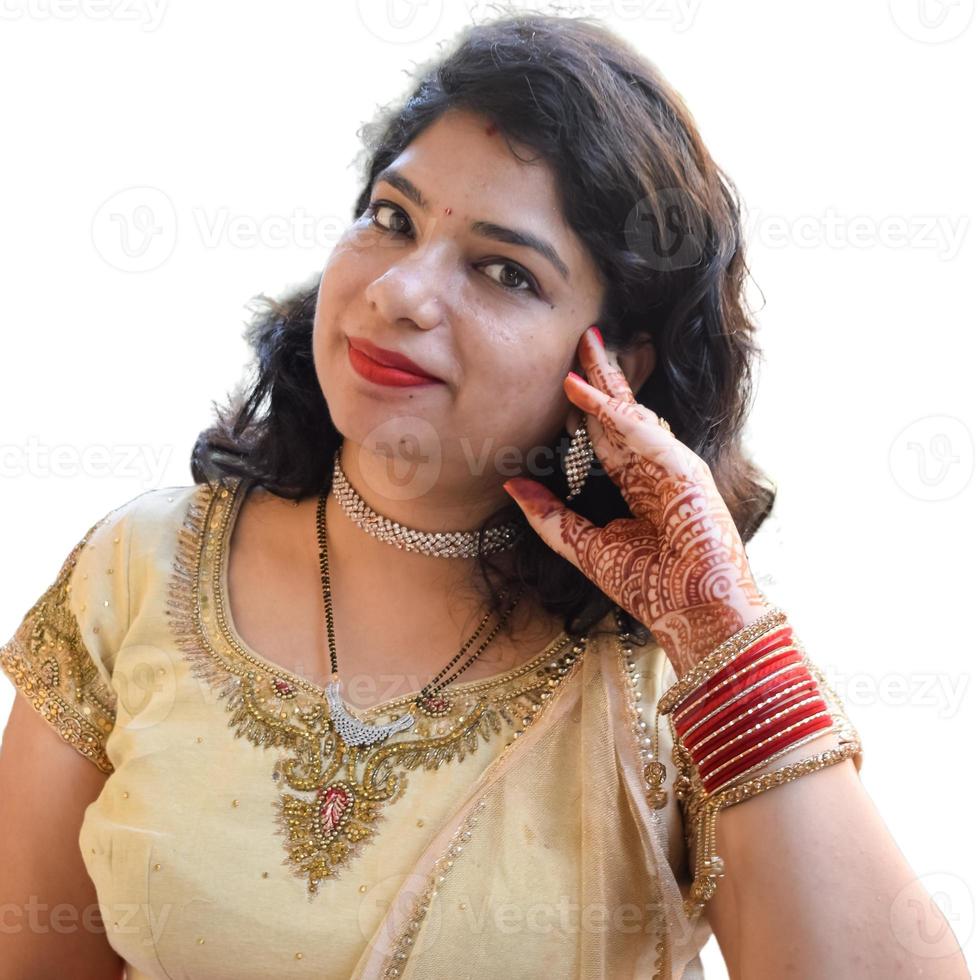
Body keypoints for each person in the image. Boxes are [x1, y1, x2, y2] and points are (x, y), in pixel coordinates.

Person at [0, 12, 967, 980]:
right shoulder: (140, 575)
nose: (403, 291)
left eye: (503, 271)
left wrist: (717, 626)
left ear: (612, 366)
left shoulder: (672, 668)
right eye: (392, 218)